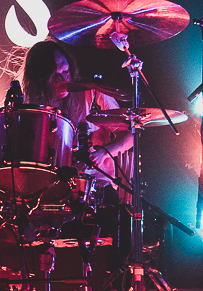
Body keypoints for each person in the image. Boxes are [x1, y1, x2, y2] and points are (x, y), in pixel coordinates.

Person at [12, 39, 133, 189]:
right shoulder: (28, 107)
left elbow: (129, 136)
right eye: (54, 76)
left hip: (99, 188)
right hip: (52, 189)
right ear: (39, 80)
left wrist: (104, 152)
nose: (63, 80)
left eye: (65, 71)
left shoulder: (92, 93)